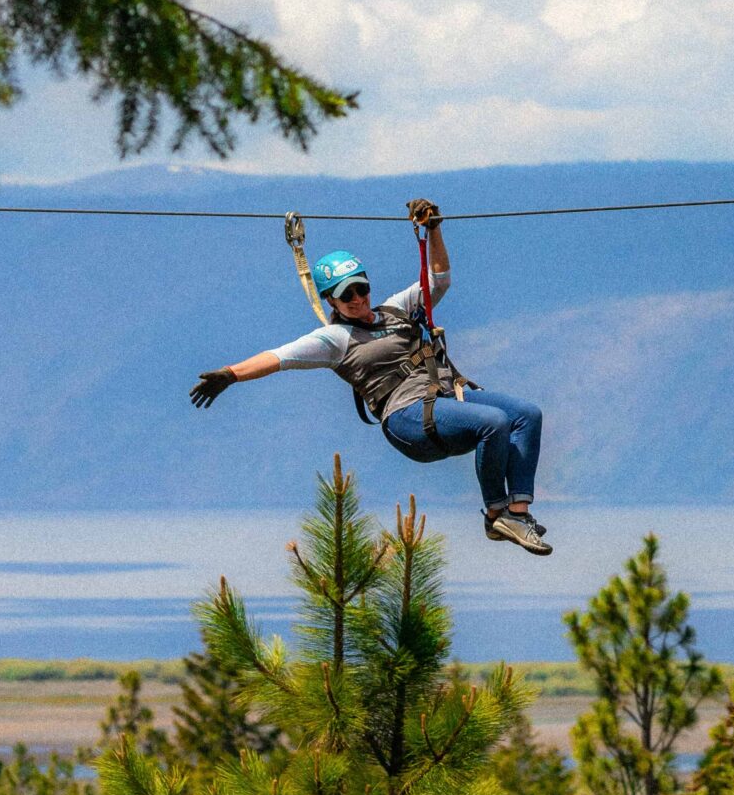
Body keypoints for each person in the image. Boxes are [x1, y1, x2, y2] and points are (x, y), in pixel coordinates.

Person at [189, 199, 551, 555]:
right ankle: (496, 515)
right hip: (407, 417)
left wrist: (434, 229)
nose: (357, 298)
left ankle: (518, 514)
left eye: (361, 288)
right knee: (493, 422)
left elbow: (438, 280)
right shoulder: (334, 340)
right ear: (331, 301)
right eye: (345, 295)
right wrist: (230, 374)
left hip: (442, 398)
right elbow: (280, 357)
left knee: (526, 415)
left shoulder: (396, 309)